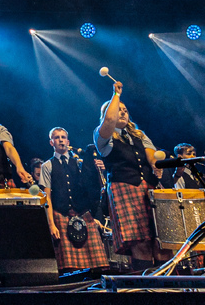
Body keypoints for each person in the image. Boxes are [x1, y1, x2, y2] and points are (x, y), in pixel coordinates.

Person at [94, 79, 160, 269]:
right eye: (118, 110)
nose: (122, 112)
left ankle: (169, 283)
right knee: (140, 241)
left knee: (160, 240)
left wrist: (156, 166)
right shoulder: (102, 136)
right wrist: (116, 95)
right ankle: (145, 283)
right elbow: (109, 121)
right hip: (124, 190)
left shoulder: (139, 135)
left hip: (149, 190)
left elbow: (151, 155)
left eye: (125, 110)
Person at [40, 127, 108, 271]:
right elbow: (47, 198)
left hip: (82, 213)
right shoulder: (47, 166)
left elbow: (94, 189)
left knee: (97, 264)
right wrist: (51, 224)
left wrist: (100, 171)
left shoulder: (80, 163)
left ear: (68, 141)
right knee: (68, 267)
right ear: (51, 142)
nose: (61, 140)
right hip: (61, 214)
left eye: (63, 137)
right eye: (57, 137)